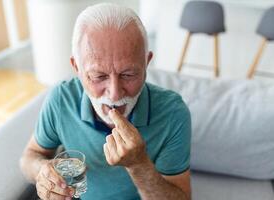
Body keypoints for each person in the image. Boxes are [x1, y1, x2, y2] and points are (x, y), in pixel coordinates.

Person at [20, 3, 191, 200]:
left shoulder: (173, 113)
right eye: (99, 76)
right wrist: (41, 171)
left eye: (128, 74)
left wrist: (139, 165)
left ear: (146, 63)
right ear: (77, 67)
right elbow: (30, 156)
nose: (115, 94)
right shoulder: (61, 100)